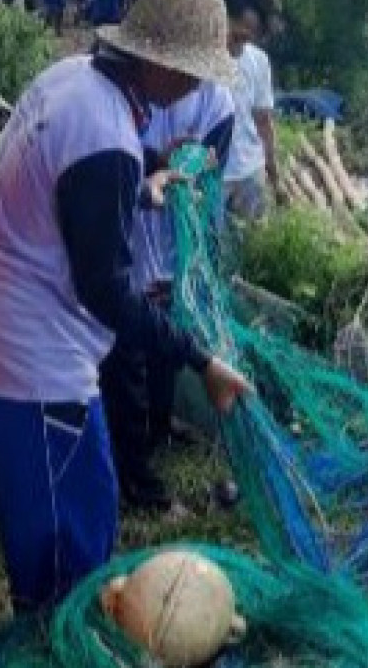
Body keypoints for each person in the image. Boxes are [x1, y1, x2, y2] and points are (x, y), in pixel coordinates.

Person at [0, 0, 251, 613]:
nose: (197, 85)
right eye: (193, 71)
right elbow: (107, 290)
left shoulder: (73, 79)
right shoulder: (107, 135)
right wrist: (200, 359)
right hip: (31, 360)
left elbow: (72, 184)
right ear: (159, 63)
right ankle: (58, 640)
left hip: (2, 325)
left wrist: (141, 187)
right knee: (70, 551)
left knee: (77, 513)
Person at [102, 79, 234, 515]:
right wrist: (158, 161)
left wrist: (192, 165)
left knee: (164, 342)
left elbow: (208, 174)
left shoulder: (217, 101)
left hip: (169, 237)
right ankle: (136, 482)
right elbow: (120, 168)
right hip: (125, 248)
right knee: (127, 354)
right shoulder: (119, 100)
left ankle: (158, 429)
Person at [207, 0, 281, 222]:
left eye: (247, 40)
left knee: (250, 252)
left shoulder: (258, 61)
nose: (239, 49)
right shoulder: (196, 63)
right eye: (236, 37)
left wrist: (273, 170)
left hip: (249, 172)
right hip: (210, 176)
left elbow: (263, 121)